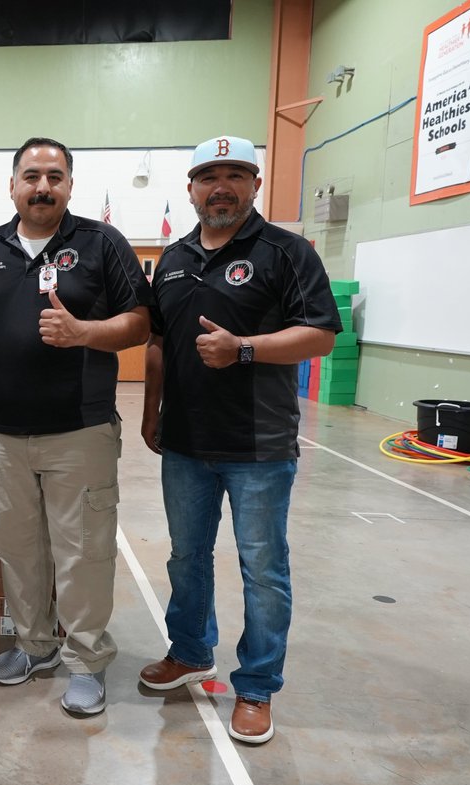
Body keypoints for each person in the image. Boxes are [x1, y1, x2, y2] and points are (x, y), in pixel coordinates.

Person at [139, 135, 340, 744]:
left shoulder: (286, 251)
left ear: (255, 184)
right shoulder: (171, 259)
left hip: (259, 446)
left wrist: (243, 348)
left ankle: (255, 687)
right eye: (208, 176)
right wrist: (152, 412)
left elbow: (320, 335)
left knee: (263, 569)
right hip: (185, 442)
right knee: (186, 556)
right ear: (192, 188)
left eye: (234, 174)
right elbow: (155, 343)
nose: (220, 186)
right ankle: (192, 651)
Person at [0, 137, 151, 715]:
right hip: (5, 435)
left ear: (69, 186)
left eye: (55, 176)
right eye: (31, 176)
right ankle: (35, 645)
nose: (43, 186)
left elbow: (139, 323)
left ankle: (86, 659)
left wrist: (85, 333)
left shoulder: (101, 243)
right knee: (18, 548)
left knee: (82, 551)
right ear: (12, 185)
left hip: (79, 431)